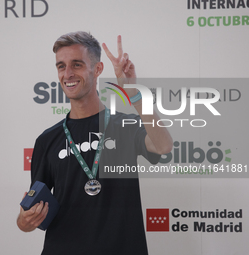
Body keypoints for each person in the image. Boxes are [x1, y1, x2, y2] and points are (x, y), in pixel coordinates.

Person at [17, 31, 173, 254]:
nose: (68, 74)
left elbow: (163, 146)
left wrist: (135, 94)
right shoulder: (47, 140)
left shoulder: (125, 126)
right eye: (61, 66)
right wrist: (25, 219)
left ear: (98, 69)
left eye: (77, 65)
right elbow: (29, 219)